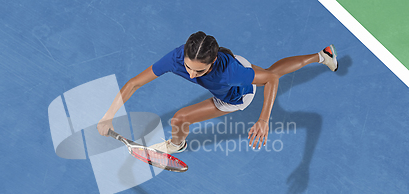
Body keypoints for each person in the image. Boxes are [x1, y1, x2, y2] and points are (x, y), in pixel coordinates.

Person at [97, 31, 337, 153]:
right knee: (270, 70)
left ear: (212, 63)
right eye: (188, 67)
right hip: (240, 65)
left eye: (199, 71)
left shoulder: (228, 74)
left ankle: (176, 145)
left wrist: (263, 120)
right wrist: (108, 116)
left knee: (179, 119)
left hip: (236, 95)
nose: (191, 74)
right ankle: (322, 54)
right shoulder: (176, 58)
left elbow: (272, 80)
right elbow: (133, 84)